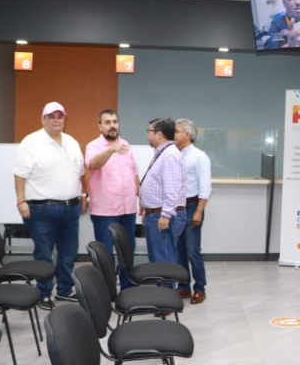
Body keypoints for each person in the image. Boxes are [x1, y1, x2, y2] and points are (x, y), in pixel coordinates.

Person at [12, 102, 88, 310]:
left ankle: (64, 290)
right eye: (51, 116)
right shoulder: (31, 142)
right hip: (41, 209)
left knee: (68, 252)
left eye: (59, 116)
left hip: (71, 208)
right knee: (44, 254)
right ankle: (44, 293)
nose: (56, 120)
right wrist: (21, 200)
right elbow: (19, 173)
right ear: (43, 119)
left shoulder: (71, 142)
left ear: (64, 119)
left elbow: (80, 172)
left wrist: (83, 194)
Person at [85, 110, 140, 290]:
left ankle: (127, 287)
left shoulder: (125, 144)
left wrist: (141, 198)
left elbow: (134, 173)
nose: (112, 125)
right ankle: (106, 291)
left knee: (127, 250)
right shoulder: (93, 146)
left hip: (128, 208)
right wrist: (110, 150)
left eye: (115, 121)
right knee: (105, 253)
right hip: (105, 210)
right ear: (100, 126)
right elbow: (93, 164)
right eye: (107, 122)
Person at [174, 119, 212, 305]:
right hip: (176, 208)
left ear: (187, 135)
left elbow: (205, 187)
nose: (173, 135)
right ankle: (183, 287)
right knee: (179, 250)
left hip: (191, 207)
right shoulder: (173, 154)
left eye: (177, 131)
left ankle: (200, 289)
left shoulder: (199, 157)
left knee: (193, 251)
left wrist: (198, 212)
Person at [141, 118, 187, 265]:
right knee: (158, 259)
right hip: (156, 213)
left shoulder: (170, 155)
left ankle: (166, 282)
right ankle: (163, 282)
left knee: (164, 261)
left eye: (149, 131)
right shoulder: (163, 153)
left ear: (159, 134)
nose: (147, 134)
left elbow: (172, 190)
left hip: (163, 216)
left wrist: (165, 215)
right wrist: (147, 209)